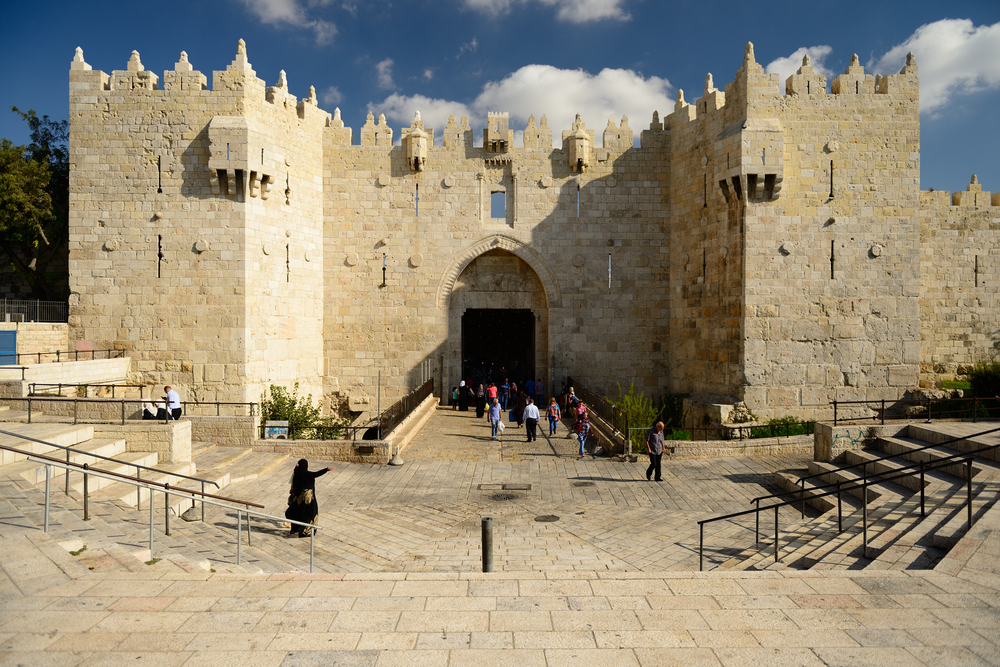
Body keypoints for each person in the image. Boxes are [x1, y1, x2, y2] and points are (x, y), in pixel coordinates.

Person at [284, 459, 335, 537]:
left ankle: (297, 529)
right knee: (311, 515)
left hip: (299, 500)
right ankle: (306, 531)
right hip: (309, 500)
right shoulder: (306, 474)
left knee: (300, 514)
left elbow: (293, 487)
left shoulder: (296, 474)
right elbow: (316, 474)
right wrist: (327, 469)